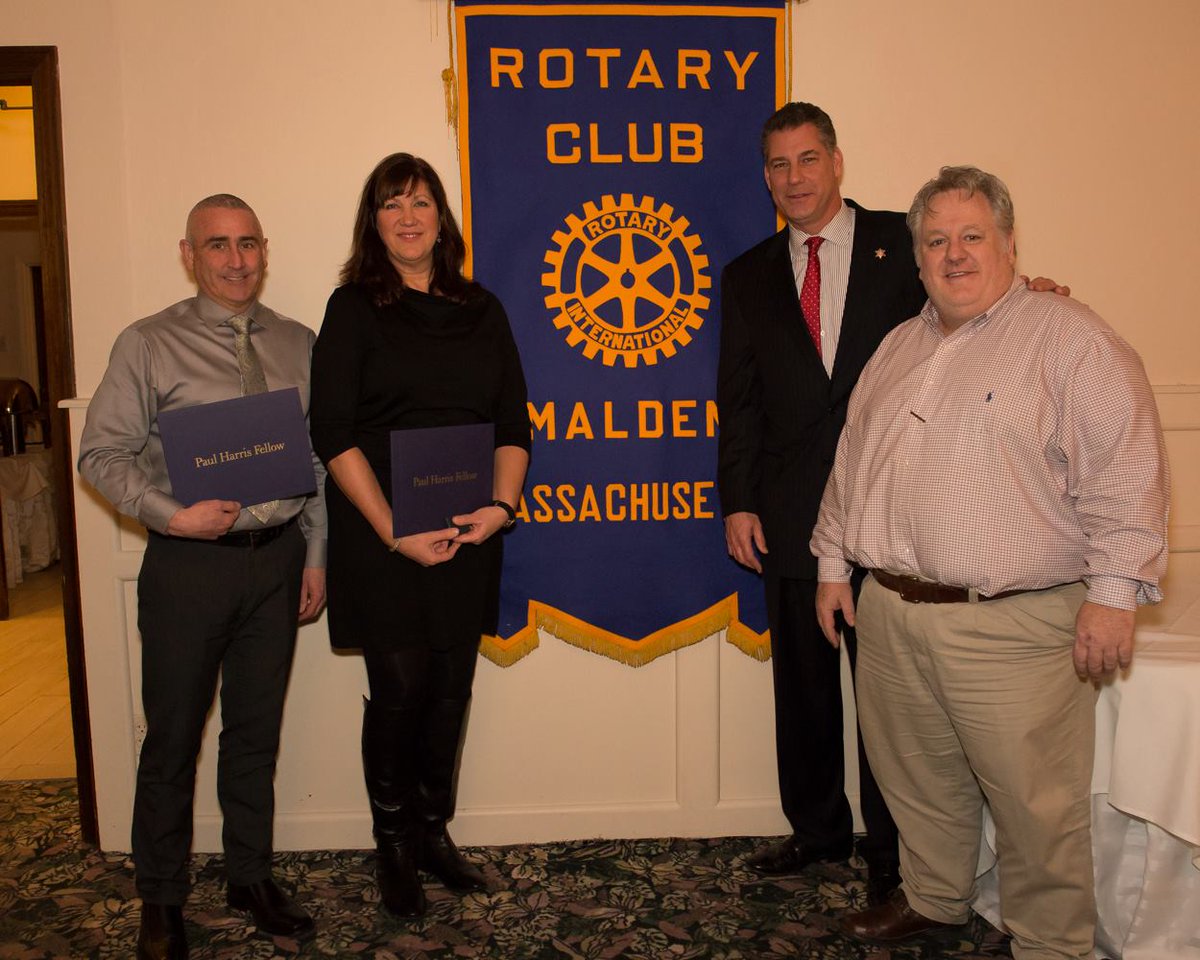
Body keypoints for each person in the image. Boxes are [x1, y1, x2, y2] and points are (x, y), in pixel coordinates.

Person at [812, 166, 1169, 959]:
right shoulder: (899, 345)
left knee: (1036, 807)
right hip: (893, 613)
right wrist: (834, 565)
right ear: (917, 258)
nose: (955, 253)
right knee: (917, 781)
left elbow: (1125, 468)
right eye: (936, 240)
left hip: (1011, 627)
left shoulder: (1070, 338)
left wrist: (1114, 593)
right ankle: (938, 898)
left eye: (973, 236)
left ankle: (1051, 943)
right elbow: (853, 464)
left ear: (1009, 244)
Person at [79, 195, 327, 960]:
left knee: (255, 734)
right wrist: (169, 513)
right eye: (216, 245)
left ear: (265, 249)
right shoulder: (148, 344)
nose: (236, 259)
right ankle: (161, 899)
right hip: (189, 568)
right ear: (188, 255)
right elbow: (100, 454)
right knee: (174, 741)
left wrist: (316, 556)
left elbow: (317, 458)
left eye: (248, 242)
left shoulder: (298, 342)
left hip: (278, 562)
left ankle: (249, 877)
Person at [309, 153, 530, 919]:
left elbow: (512, 424)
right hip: (384, 538)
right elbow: (332, 432)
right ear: (373, 222)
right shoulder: (352, 310)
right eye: (391, 203)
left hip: (470, 533)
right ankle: (394, 846)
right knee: (400, 691)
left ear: (443, 217)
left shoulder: (483, 310)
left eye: (422, 202)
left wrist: (501, 509)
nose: (409, 216)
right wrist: (394, 529)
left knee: (450, 690)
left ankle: (436, 833)